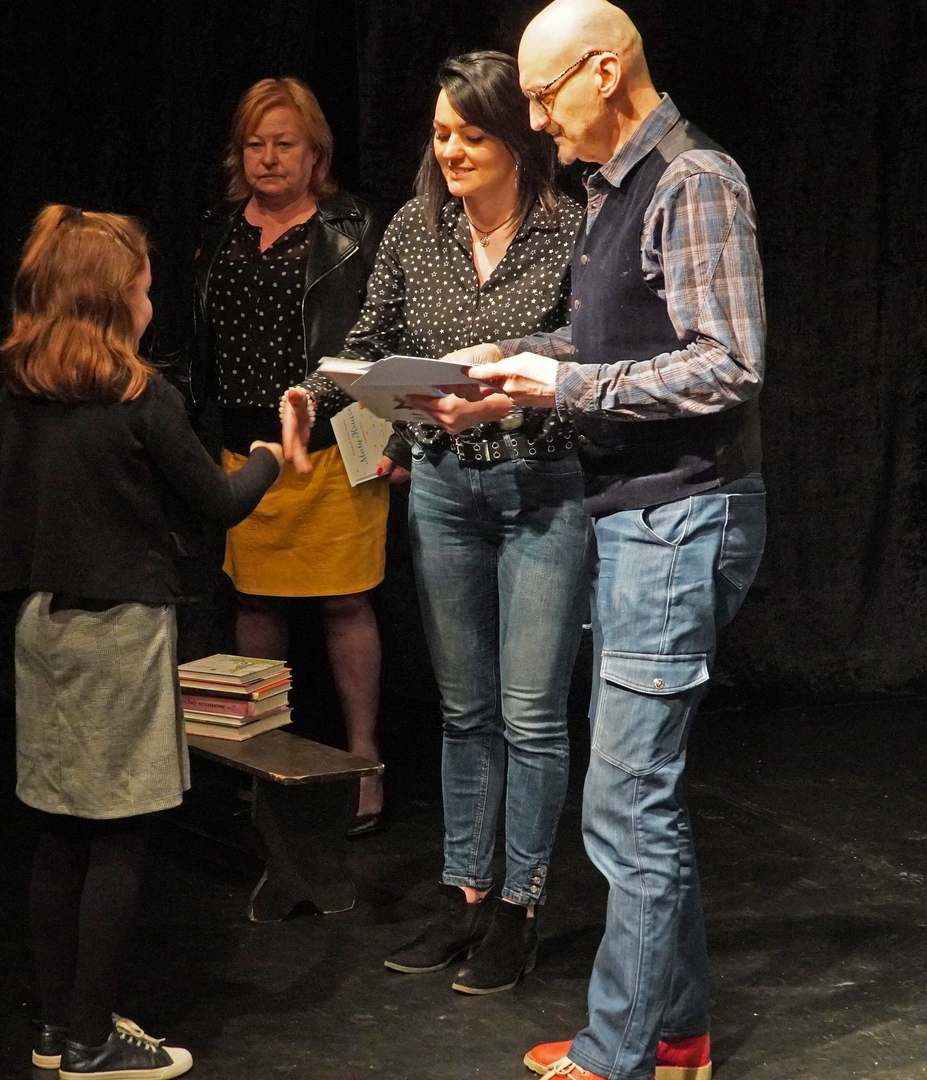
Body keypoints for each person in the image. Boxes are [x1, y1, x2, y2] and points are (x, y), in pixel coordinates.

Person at [436, 3, 768, 1077]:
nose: (535, 121)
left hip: (681, 517)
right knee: (638, 799)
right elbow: (611, 339)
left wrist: (563, 385)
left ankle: (620, 1053)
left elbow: (728, 361)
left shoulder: (692, 179)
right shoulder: (613, 191)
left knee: (627, 802)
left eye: (543, 95)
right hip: (635, 517)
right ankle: (674, 1034)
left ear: (604, 70)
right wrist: (508, 369)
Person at [280, 51, 588, 995]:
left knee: (530, 713)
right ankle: (464, 896)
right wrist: (318, 397)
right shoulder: (418, 228)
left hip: (541, 487)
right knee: (465, 710)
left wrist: (506, 380)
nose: (449, 150)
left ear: (517, 143)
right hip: (447, 492)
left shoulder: (572, 229)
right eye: (441, 134)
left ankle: (519, 907)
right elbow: (370, 343)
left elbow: (592, 353)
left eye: (470, 136)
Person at [0, 206, 284, 1080]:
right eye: (145, 289)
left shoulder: (16, 395)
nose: (152, 304)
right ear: (113, 299)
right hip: (118, 634)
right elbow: (218, 504)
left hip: (42, 628)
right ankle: (91, 1041)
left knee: (60, 833)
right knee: (118, 835)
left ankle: (56, 1028)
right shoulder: (140, 399)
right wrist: (272, 457)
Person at [185, 77, 387, 829]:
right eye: (255, 144)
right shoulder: (218, 229)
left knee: (345, 601)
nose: (268, 158)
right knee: (256, 601)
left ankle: (363, 759)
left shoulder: (353, 227)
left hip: (333, 445)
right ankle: (262, 754)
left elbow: (382, 335)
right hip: (244, 452)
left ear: (315, 153)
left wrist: (387, 434)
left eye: (284, 144)